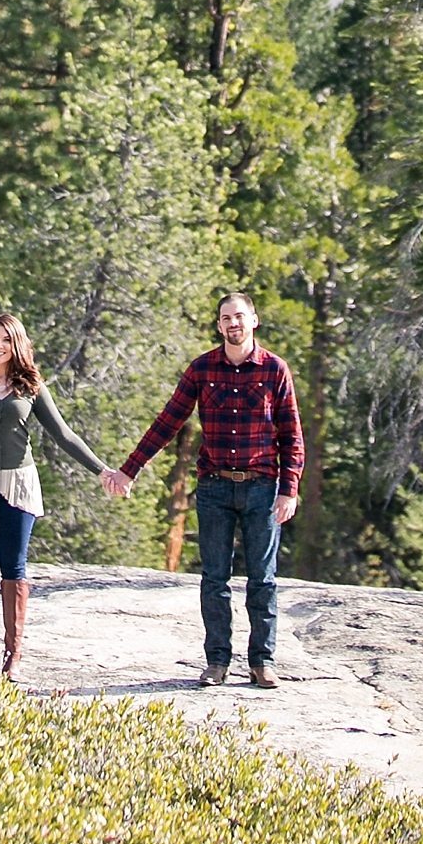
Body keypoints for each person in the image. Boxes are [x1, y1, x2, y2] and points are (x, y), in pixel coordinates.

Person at [101, 291, 303, 688]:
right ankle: (217, 662)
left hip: (262, 488)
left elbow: (292, 435)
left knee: (262, 579)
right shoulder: (202, 369)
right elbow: (168, 422)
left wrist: (289, 489)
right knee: (214, 579)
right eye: (226, 318)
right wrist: (129, 470)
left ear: (254, 321)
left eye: (239, 316)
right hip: (214, 487)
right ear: (219, 325)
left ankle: (262, 662)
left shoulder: (275, 370)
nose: (233, 324)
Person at [0, 312, 111, 683]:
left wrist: (102, 471)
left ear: (17, 344)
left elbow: (64, 435)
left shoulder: (31, 386)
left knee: (14, 567)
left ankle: (13, 656)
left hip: (18, 486)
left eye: (6, 339)